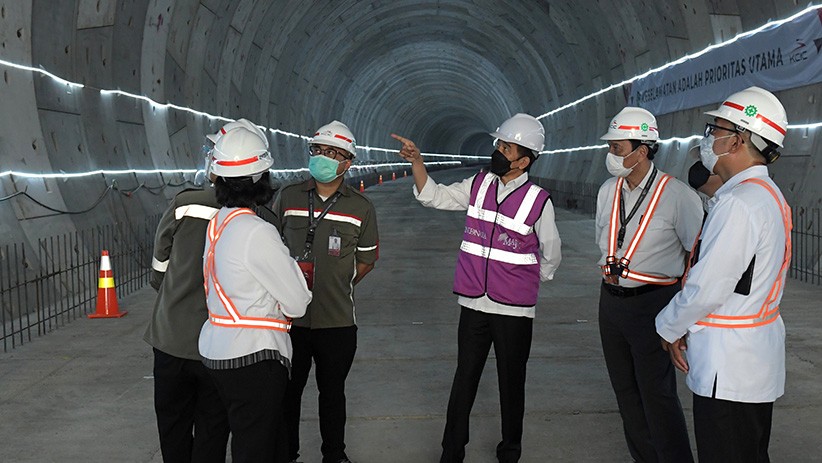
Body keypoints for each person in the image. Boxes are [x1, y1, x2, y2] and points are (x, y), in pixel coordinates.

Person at [392, 113, 562, 463]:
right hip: (474, 303)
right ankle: (452, 452)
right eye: (498, 144)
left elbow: (551, 252)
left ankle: (509, 451)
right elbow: (434, 197)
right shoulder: (480, 184)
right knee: (464, 379)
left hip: (513, 309)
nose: (498, 151)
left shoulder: (537, 200)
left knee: (510, 383)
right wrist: (418, 163)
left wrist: (527, 281)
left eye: (506, 147)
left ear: (524, 159)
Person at [656, 86, 792, 463]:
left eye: (715, 129)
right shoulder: (765, 194)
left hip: (729, 366)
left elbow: (708, 286)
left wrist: (667, 326)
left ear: (738, 139)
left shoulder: (738, 203)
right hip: (747, 359)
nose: (708, 138)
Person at [145, 118, 264, 462]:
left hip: (171, 338)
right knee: (213, 429)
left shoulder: (185, 203)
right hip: (222, 346)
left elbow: (158, 272)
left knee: (172, 425)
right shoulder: (260, 218)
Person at [198, 125, 312, 463]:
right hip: (254, 360)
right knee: (256, 449)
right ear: (262, 178)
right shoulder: (258, 232)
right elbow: (297, 302)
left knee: (248, 441)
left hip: (216, 350)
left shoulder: (218, 223)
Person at [594, 107, 702, 462]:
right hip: (611, 303)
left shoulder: (678, 196)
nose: (612, 155)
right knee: (625, 392)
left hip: (654, 303)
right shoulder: (608, 191)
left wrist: (683, 318)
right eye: (610, 148)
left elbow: (697, 257)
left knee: (657, 395)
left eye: (617, 148)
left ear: (642, 150)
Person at [274, 120, 379, 463]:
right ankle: (287, 452)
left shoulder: (360, 207)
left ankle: (334, 454)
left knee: (332, 393)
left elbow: (366, 261)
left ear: (348, 162)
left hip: (336, 321)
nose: (323, 157)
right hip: (290, 321)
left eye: (332, 153)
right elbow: (269, 248)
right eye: (318, 150)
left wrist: (337, 285)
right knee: (288, 393)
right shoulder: (288, 198)